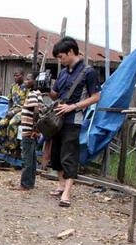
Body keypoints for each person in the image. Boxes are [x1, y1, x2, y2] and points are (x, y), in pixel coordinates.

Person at [50, 36, 100, 207]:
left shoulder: (88, 72)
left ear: (71, 52)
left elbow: (96, 97)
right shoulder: (63, 73)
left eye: (61, 57)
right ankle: (60, 184)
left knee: (69, 154)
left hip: (74, 118)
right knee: (56, 153)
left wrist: (73, 106)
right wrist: (45, 86)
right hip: (57, 117)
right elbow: (55, 94)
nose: (60, 60)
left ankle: (67, 193)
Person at [15, 74, 42, 190]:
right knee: (32, 157)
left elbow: (36, 111)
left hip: (28, 131)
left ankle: (25, 184)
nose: (25, 81)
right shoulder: (38, 93)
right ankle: (30, 183)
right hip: (31, 130)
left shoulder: (32, 94)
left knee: (27, 158)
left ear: (35, 81)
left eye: (28, 79)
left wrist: (34, 129)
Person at [0, 68, 28, 156]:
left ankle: (12, 147)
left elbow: (27, 104)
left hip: (23, 110)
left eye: (17, 75)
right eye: (14, 75)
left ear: (22, 75)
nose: (15, 77)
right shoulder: (13, 86)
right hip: (13, 110)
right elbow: (9, 100)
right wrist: (9, 111)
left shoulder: (26, 87)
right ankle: (5, 145)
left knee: (12, 124)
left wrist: (13, 112)